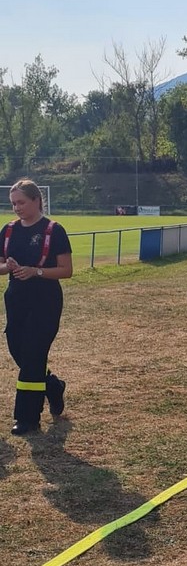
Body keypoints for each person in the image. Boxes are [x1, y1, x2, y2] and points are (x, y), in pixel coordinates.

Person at [0, 179, 73, 436]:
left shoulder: (54, 230)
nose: (17, 208)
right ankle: (52, 385)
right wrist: (8, 267)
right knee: (19, 351)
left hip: (45, 300)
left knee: (32, 354)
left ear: (36, 200)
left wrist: (36, 271)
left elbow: (66, 270)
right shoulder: (8, 230)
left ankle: (27, 418)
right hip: (16, 299)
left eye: (21, 202)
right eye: (13, 204)